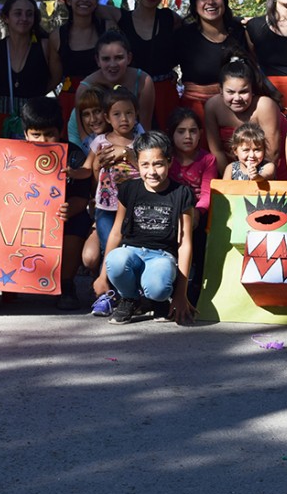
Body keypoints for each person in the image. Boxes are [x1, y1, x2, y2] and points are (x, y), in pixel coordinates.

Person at [50, 0, 182, 129]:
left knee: (169, 145)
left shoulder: (170, 18)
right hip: (134, 92)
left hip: (165, 93)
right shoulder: (120, 18)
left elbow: (197, 29)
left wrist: (233, 21)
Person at [92, 130, 197, 325]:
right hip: (131, 252)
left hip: (162, 256)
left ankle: (159, 299)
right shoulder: (129, 189)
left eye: (158, 164)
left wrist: (182, 294)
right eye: (145, 165)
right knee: (115, 261)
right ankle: (130, 298)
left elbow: (185, 243)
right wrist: (102, 276)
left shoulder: (182, 193)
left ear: (169, 162)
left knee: (158, 286)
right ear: (137, 164)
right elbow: (116, 231)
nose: (152, 171)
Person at [21, 97, 94, 312]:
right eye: (36, 135)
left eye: (49, 134)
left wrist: (68, 208)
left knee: (79, 223)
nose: (43, 140)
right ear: (25, 133)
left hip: (62, 218)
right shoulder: (13, 153)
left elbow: (82, 196)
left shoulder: (74, 155)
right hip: (19, 218)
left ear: (60, 131)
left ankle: (67, 284)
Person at [176, 0, 248, 122]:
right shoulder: (183, 36)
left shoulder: (240, 31)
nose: (210, 2)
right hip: (196, 114)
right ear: (195, 4)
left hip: (238, 109)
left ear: (224, 1)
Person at [0, 0, 59, 138]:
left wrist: (35, 94)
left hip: (34, 120)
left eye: (29, 14)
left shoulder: (45, 46)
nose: (24, 18)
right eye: (18, 13)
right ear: (6, 18)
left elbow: (56, 78)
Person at [88, 86, 143, 277]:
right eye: (117, 114)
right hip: (106, 207)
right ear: (107, 117)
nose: (124, 119)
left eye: (129, 113)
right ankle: (109, 288)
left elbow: (147, 171)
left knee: (129, 247)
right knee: (108, 246)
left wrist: (129, 155)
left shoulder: (141, 143)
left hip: (134, 206)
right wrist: (71, 171)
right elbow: (89, 169)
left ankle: (126, 287)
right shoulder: (100, 141)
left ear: (137, 114)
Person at [69, 30, 154, 148]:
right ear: (97, 60)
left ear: (129, 58)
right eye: (106, 59)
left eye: (119, 58)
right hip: (89, 141)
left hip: (128, 138)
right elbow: (84, 134)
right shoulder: (84, 87)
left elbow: (145, 128)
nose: (112, 64)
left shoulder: (143, 81)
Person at [204, 54, 285, 177]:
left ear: (252, 90)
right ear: (221, 90)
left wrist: (258, 178)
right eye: (230, 92)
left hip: (268, 169)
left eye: (243, 92)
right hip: (231, 169)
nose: (237, 98)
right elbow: (216, 150)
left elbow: (272, 152)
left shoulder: (264, 105)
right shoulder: (212, 106)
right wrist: (230, 177)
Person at [166, 108, 215, 308]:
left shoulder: (207, 159)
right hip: (169, 212)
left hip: (197, 213)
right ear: (171, 134)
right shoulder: (167, 158)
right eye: (181, 131)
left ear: (200, 134)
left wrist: (197, 213)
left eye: (193, 131)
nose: (188, 136)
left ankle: (196, 289)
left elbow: (207, 193)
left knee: (202, 244)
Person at [47, 0, 105, 121]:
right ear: (68, 0)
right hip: (69, 104)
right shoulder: (56, 36)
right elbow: (55, 78)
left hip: (104, 103)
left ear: (96, 1)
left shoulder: (109, 29)